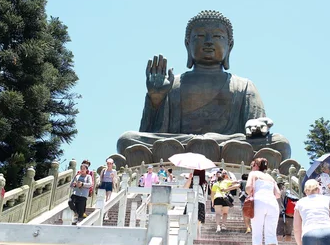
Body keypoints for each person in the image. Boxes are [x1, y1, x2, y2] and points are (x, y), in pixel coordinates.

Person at [116, 10, 291, 160]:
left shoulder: (244, 86)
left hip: (230, 144)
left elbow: (257, 126)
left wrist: (257, 126)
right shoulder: (173, 83)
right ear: (187, 44)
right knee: (127, 139)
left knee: (280, 143)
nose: (208, 41)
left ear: (229, 46)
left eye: (217, 36)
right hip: (179, 144)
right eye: (199, 36)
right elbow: (151, 131)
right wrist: (156, 98)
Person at [246, 158, 282, 245]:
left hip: (259, 202)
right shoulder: (271, 178)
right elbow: (278, 194)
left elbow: (248, 188)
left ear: (256, 165)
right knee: (271, 233)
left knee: (257, 232)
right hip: (273, 204)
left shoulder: (253, 174)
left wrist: (251, 192)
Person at [184, 169, 208, 237]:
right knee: (198, 224)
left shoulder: (192, 181)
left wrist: (189, 178)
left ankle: (191, 239)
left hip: (191, 202)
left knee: (189, 222)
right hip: (201, 203)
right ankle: (198, 238)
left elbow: (185, 188)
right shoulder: (204, 183)